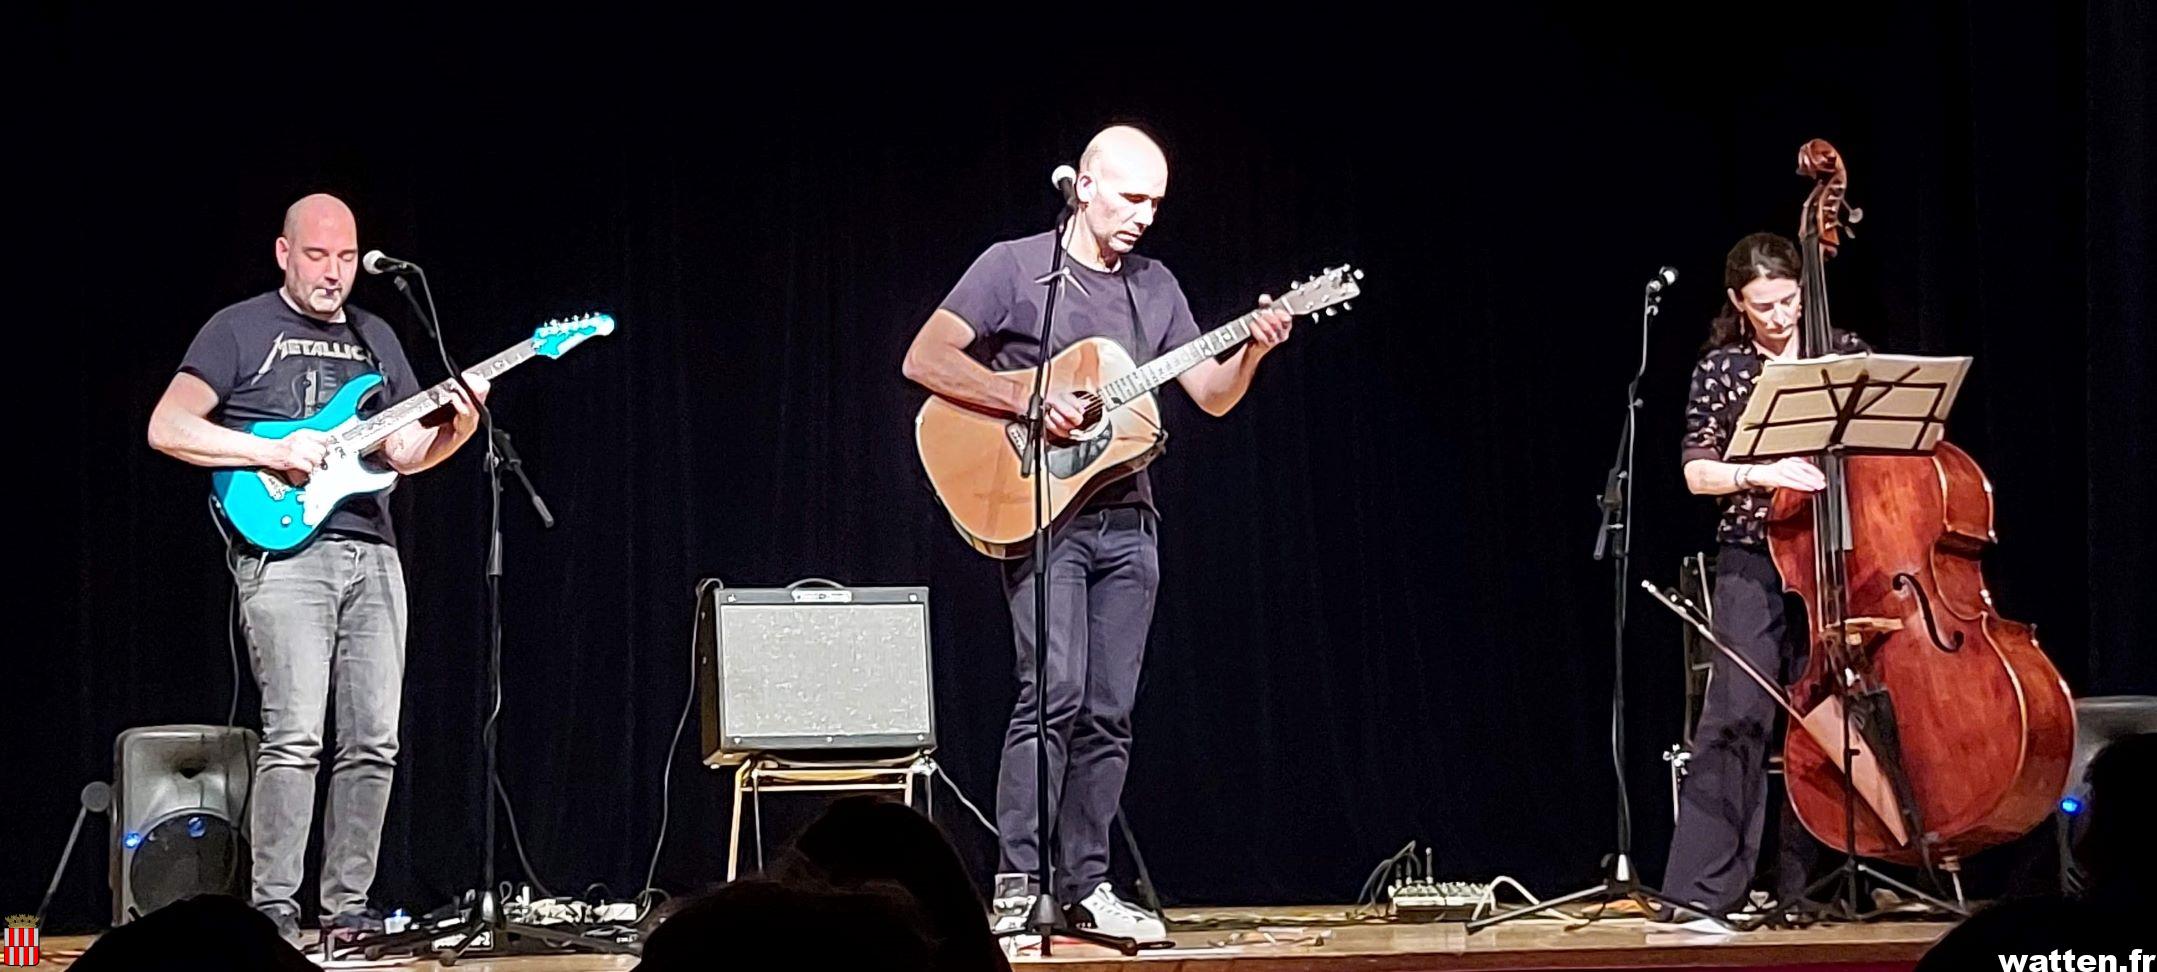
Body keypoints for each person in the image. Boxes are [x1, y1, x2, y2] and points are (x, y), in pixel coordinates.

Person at [901, 125, 1293, 940]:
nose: (1144, 216)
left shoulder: (1155, 287)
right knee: (1052, 692)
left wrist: (1253, 349)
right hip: (1042, 518)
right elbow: (925, 360)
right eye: (1129, 197)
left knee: (1109, 709)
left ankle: (1086, 883)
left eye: (1155, 202)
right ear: (1082, 186)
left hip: (1129, 523)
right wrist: (1026, 400)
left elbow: (1210, 395)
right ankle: (1018, 880)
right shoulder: (1014, 268)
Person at [146, 193, 489, 944]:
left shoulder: (377, 338)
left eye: (344, 257)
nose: (333, 273)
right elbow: (166, 427)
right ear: (283, 252)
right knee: (296, 734)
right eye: (316, 256)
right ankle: (273, 910)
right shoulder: (238, 328)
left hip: (374, 550)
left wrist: (459, 426)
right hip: (284, 551)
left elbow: (404, 455)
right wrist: (271, 451)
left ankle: (348, 913)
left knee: (374, 739)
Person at [1660, 232, 1866, 921]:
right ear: (1735, 303)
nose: (1779, 317)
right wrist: (1760, 472)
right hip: (1754, 550)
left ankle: (1819, 887)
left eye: (1788, 301)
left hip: (1843, 557)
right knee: (1736, 713)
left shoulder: (1846, 356)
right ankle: (1701, 894)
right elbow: (1697, 473)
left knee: (1840, 714)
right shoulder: (1722, 369)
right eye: (1763, 306)